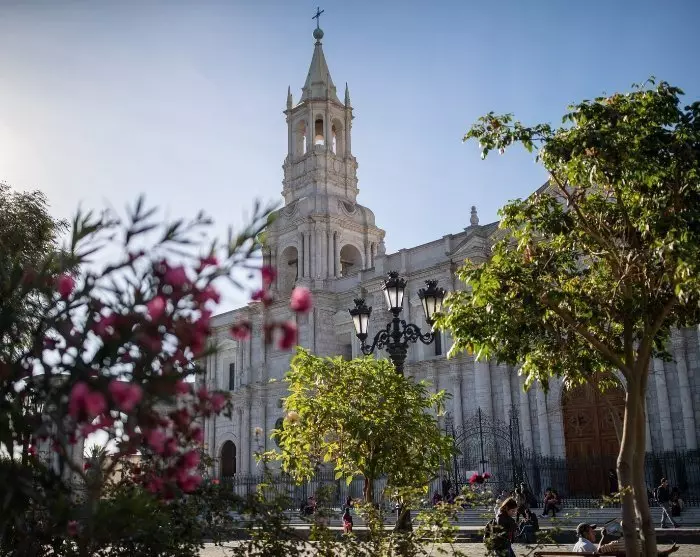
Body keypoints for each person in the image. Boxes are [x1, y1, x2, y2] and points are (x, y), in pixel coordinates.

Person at [597, 521, 679, 555]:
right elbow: (659, 554)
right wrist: (671, 550)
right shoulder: (642, 544)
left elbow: (599, 550)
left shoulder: (615, 544)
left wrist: (603, 537)